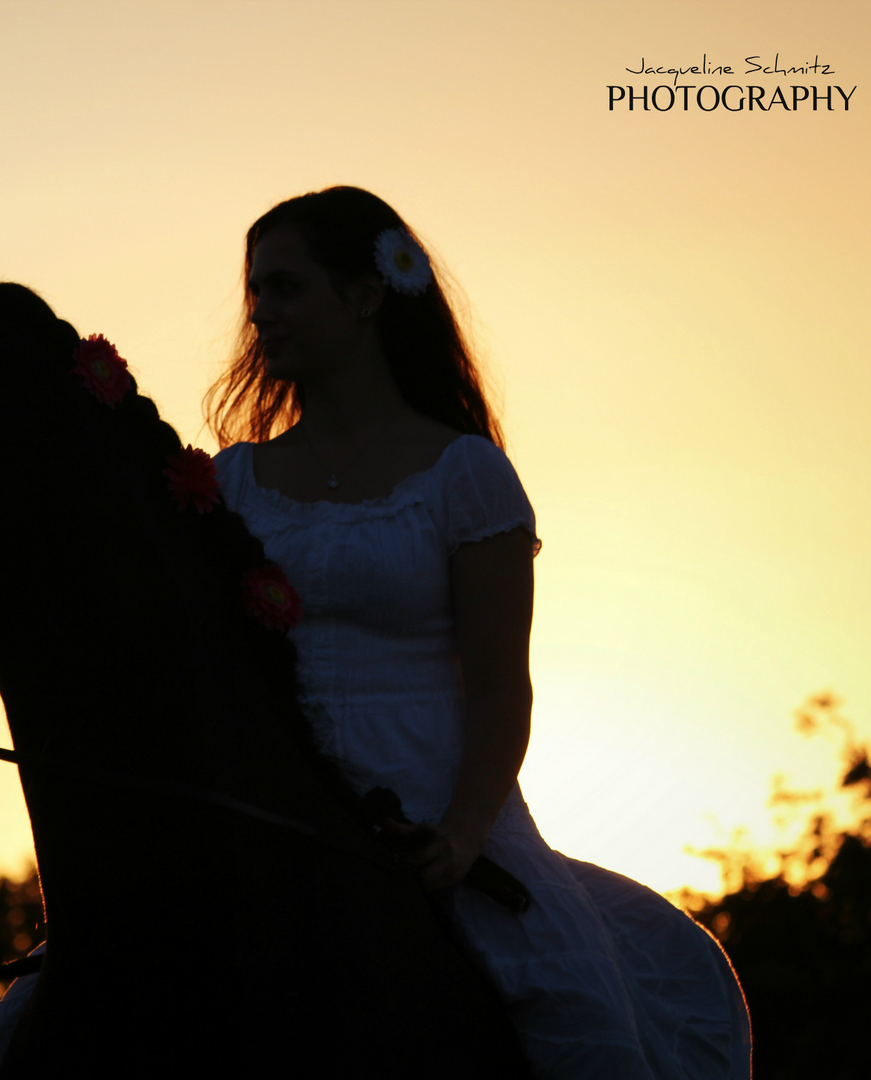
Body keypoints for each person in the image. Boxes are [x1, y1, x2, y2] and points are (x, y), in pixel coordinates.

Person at [203, 186, 750, 1079]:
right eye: (255, 292)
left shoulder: (467, 476)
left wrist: (459, 837)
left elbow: (501, 688)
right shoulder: (231, 483)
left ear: (369, 293)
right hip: (274, 788)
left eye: (287, 288)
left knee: (580, 1024)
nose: (261, 313)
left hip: (440, 795)